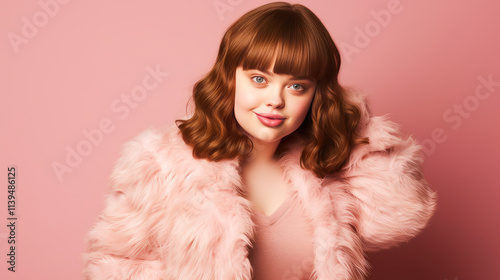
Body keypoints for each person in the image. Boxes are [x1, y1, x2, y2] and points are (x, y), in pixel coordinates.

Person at [82, 2, 437, 279]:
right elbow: (115, 268)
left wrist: (353, 123)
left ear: (316, 94)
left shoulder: (328, 168)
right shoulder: (160, 165)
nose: (276, 100)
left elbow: (401, 217)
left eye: (297, 86)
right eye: (259, 79)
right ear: (230, 77)